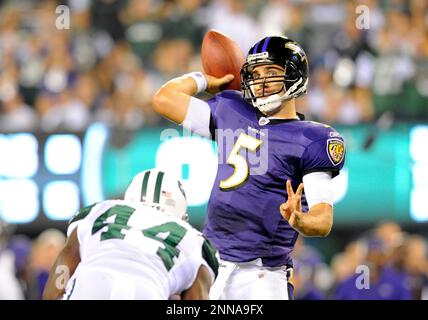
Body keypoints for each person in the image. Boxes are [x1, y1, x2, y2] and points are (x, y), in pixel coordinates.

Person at [152, 35, 346, 300]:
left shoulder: (312, 138)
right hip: (210, 261)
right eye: (256, 73)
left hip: (261, 274)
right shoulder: (232, 109)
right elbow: (164, 99)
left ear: (295, 76)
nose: (262, 81)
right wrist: (204, 80)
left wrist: (299, 219)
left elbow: (323, 221)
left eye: (272, 72)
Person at [43, 169, 218, 300]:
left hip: (91, 282)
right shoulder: (192, 239)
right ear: (181, 214)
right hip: (147, 291)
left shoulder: (99, 210)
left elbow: (67, 260)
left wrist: (56, 294)